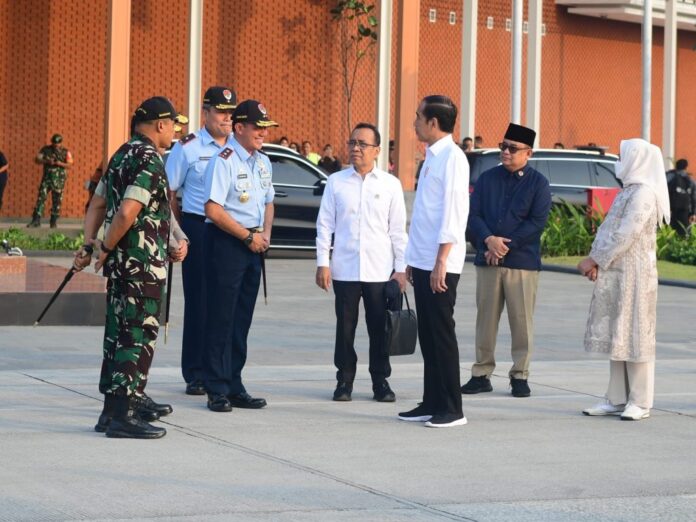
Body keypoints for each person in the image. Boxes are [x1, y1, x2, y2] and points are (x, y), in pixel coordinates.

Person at [73, 96, 187, 439]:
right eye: (174, 125)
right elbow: (127, 211)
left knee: (117, 333)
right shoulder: (150, 158)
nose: (176, 131)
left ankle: (111, 411)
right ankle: (124, 415)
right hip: (141, 264)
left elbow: (97, 203)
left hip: (123, 266)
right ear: (160, 125)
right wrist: (105, 247)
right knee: (136, 334)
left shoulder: (121, 153)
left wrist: (90, 243)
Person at [578, 138, 670, 421]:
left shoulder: (644, 193)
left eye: (623, 156)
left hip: (637, 277)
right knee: (619, 335)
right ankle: (617, 398)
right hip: (617, 272)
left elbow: (625, 235)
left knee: (636, 334)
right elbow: (607, 231)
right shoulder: (628, 191)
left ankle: (640, 401)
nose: (619, 161)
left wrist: (594, 260)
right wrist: (598, 260)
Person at [316, 122, 407, 403]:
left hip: (380, 270)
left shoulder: (391, 185)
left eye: (362, 144)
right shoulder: (336, 182)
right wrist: (323, 263)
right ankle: (344, 382)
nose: (356, 148)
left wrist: (401, 270)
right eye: (352, 142)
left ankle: (381, 382)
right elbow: (324, 225)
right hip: (344, 268)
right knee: (345, 328)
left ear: (377, 151)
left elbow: (398, 230)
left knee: (380, 329)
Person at [462, 123, 551, 398]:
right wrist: (488, 240)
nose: (506, 152)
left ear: (529, 153)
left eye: (513, 148)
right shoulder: (488, 179)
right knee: (485, 320)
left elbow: (536, 223)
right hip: (488, 261)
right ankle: (481, 373)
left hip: (521, 263)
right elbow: (473, 215)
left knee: (521, 321)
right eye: (503, 146)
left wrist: (501, 246)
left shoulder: (538, 183)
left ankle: (520, 375)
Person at [201, 99, 277, 413]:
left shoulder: (263, 162)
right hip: (229, 242)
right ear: (239, 127)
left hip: (254, 243)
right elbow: (213, 209)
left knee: (242, 317)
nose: (262, 133)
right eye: (257, 127)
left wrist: (265, 235)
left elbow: (269, 201)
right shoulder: (224, 160)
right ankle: (215, 387)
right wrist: (246, 236)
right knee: (221, 317)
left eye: (265, 128)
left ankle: (234, 382)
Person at [398, 95, 470, 428]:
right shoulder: (433, 157)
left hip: (442, 262)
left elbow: (453, 213)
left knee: (441, 334)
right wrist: (414, 260)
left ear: (433, 123)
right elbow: (426, 215)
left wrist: (441, 260)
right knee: (427, 334)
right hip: (425, 259)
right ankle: (431, 401)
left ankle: (452, 408)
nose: (414, 122)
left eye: (418, 117)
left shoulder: (453, 158)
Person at [165, 86, 237, 396]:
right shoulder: (188, 147)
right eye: (220, 111)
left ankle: (220, 370)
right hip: (198, 228)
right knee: (200, 303)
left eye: (230, 112)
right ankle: (195, 371)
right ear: (205, 112)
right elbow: (168, 192)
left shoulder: (238, 146)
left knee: (226, 304)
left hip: (231, 229)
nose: (226, 118)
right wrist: (177, 234)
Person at [27, 134, 73, 228]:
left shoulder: (65, 152)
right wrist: (46, 161)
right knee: (41, 198)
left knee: (57, 201)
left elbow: (70, 165)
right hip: (47, 179)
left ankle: (53, 221)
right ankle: (36, 220)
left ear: (61, 143)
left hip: (59, 181)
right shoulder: (46, 150)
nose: (56, 145)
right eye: (54, 143)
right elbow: (37, 159)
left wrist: (59, 163)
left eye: (57, 143)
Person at [666, 159, 695, 236]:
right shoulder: (690, 180)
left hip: (670, 210)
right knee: (684, 233)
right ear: (686, 167)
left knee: (670, 233)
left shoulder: (669, 176)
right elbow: (693, 197)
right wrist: (693, 213)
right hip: (685, 211)